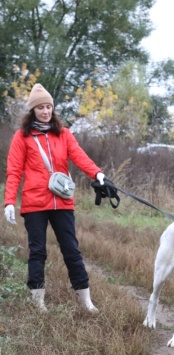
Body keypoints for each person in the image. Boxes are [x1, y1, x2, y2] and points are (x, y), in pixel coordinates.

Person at [3, 83, 105, 313]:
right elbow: (14, 171)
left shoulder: (64, 134)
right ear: (33, 111)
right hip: (34, 203)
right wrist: (9, 201)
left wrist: (97, 174)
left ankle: (86, 301)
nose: (46, 111)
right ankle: (38, 302)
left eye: (49, 107)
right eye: (40, 108)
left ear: (53, 109)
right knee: (38, 251)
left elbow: (80, 156)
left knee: (72, 250)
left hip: (62, 202)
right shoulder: (22, 137)